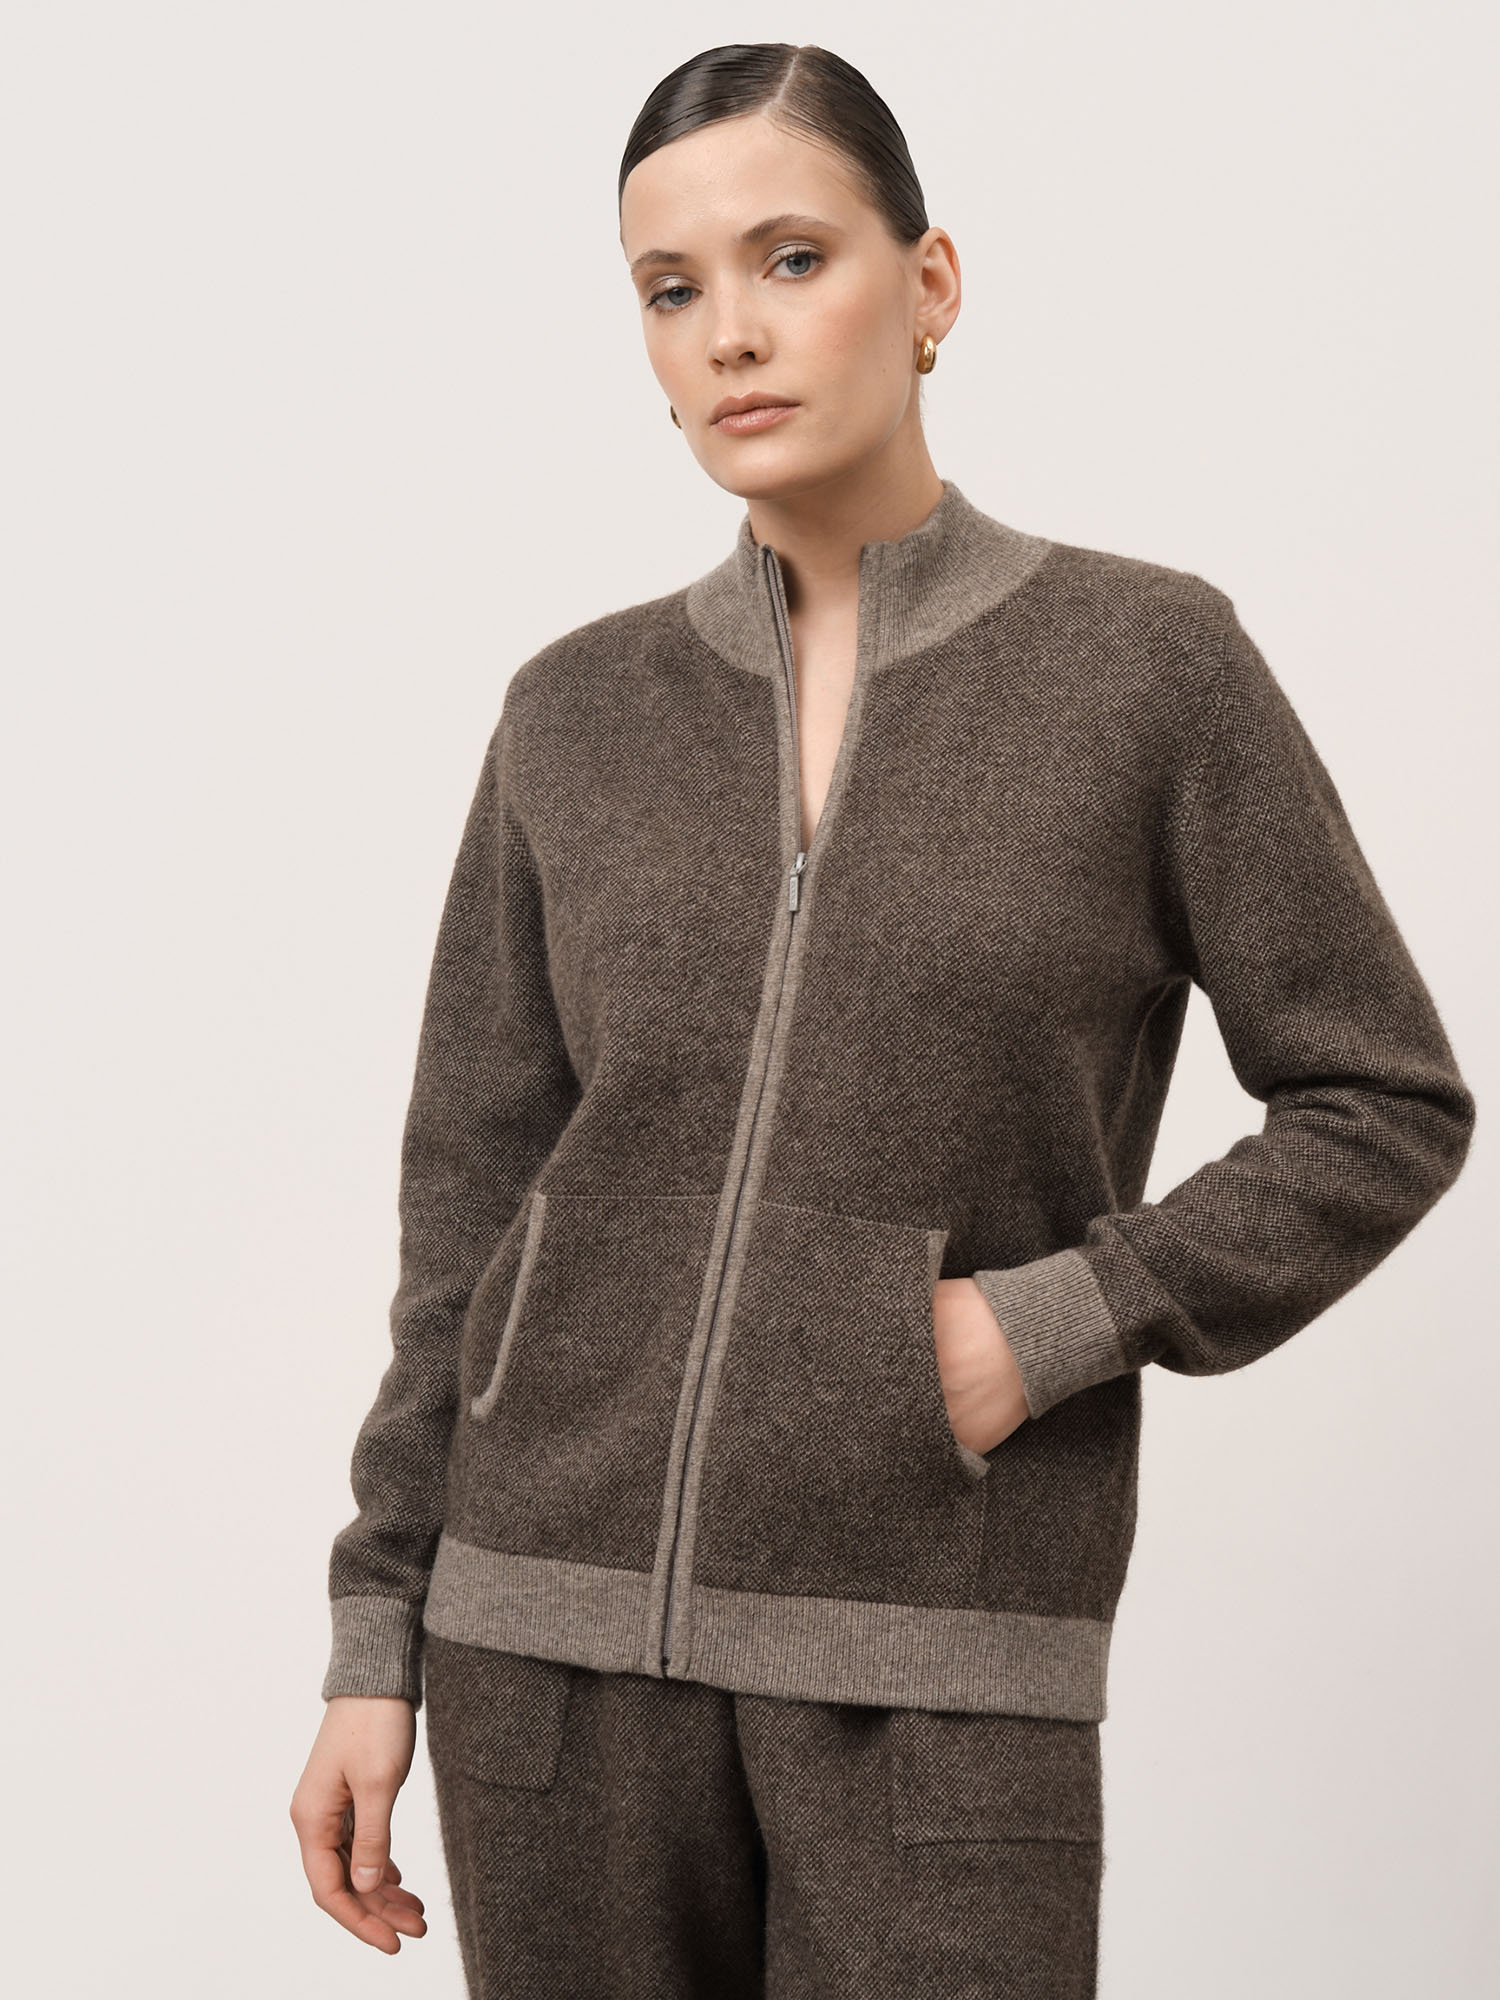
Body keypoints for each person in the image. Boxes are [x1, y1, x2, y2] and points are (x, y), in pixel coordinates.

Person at [289, 40, 1476, 1997]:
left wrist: (1050, 1321)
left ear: (928, 285)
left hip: (940, 1667)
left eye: (791, 259)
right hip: (543, 1654)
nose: (730, 335)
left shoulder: (1146, 669)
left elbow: (1383, 1101)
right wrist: (375, 1634)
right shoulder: (573, 713)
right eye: (670, 289)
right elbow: (472, 1195)